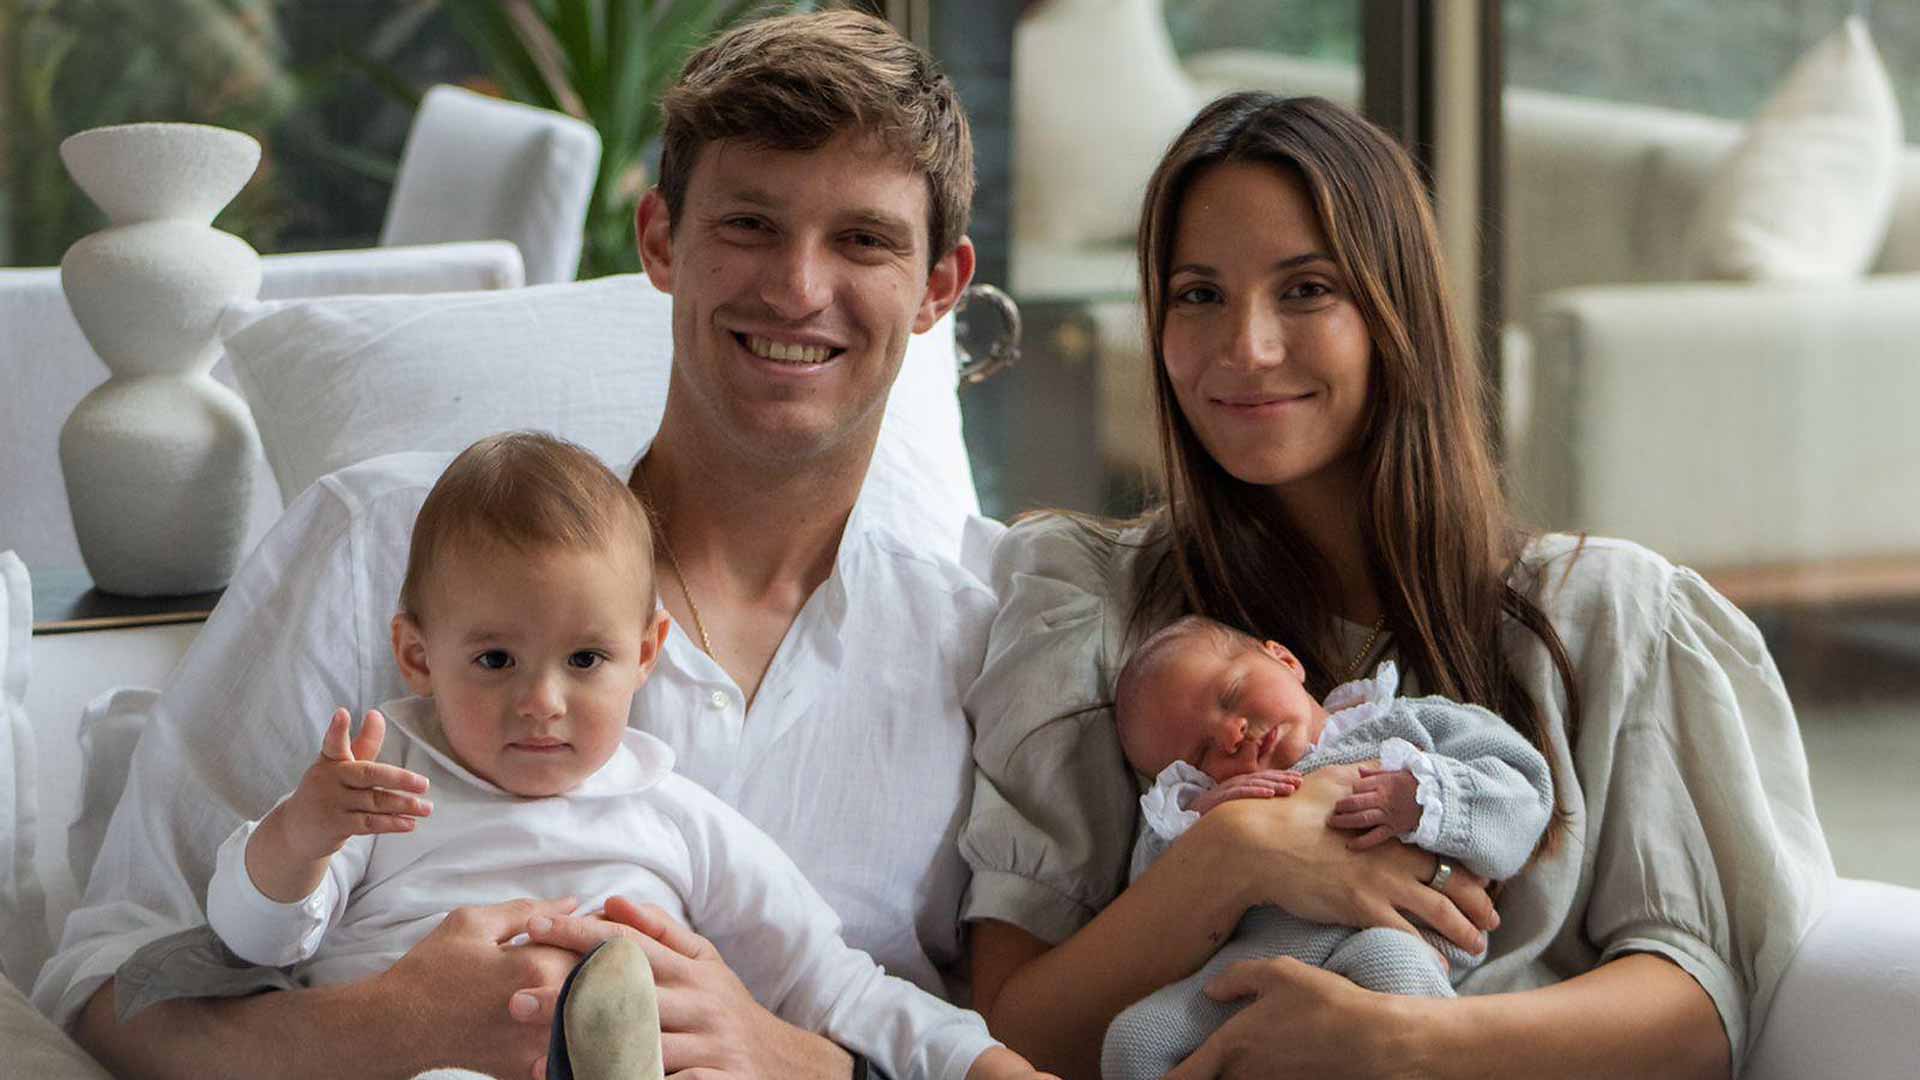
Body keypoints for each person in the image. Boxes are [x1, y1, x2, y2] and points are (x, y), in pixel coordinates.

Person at [36, 11, 995, 1079]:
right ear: (662, 241)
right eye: (750, 225)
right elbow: (111, 979)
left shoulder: (973, 645)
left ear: (940, 288)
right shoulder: (380, 544)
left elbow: (973, 1031)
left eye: (862, 239)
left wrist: (805, 1063)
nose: (798, 288)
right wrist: (380, 1030)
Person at [960, 93, 1832, 1079]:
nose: (1245, 346)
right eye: (1198, 294)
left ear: (1395, 308)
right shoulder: (1085, 602)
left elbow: (1698, 1011)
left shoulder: (1607, 614)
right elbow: (1010, 1034)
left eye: (1306, 290)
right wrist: (1237, 852)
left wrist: (1406, 1041)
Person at [199, 432, 1030, 1080]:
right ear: (417, 657)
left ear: (647, 652)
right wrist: (298, 839)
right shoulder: (383, 794)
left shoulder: (671, 815)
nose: (542, 702)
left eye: (586, 660)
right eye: (495, 660)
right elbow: (254, 941)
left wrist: (982, 1062)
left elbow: (831, 983)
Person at [1099, 615, 1551, 1079]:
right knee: (1132, 1040)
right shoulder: (1196, 813)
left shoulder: (1404, 724)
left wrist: (1425, 798)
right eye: (1200, 755)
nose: (1233, 735)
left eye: (1231, 696)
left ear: (1285, 660)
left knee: (1393, 964)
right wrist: (1206, 832)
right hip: (1244, 979)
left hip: (1379, 949)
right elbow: (1152, 912)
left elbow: (1527, 795)